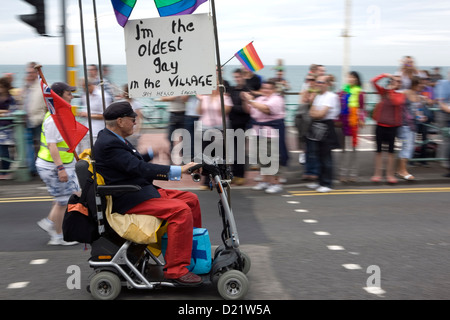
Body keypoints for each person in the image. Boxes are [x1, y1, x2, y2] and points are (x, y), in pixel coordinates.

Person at [93, 101, 203, 285]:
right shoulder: (108, 144)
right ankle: (176, 269)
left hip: (140, 191)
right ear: (120, 121)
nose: (135, 121)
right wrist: (180, 170)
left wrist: (151, 152)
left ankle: (192, 253)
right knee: (181, 210)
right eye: (132, 118)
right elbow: (138, 168)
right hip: (129, 198)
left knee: (191, 199)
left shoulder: (112, 137)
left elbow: (129, 161)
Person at [36, 82, 80, 246]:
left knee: (67, 195)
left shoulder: (61, 114)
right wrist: (60, 168)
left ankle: (49, 222)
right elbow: (52, 145)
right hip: (53, 166)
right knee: (63, 201)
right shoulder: (54, 119)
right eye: (69, 93)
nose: (72, 96)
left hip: (60, 164)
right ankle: (58, 236)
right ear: (59, 96)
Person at [242, 80, 287, 194]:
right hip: (258, 131)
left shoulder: (277, 99)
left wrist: (251, 100)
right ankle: (265, 181)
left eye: (268, 88)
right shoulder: (259, 99)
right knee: (262, 159)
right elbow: (249, 110)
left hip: (271, 132)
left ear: (274, 89)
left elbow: (267, 109)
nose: (266, 90)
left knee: (272, 159)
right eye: (264, 88)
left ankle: (276, 183)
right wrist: (245, 100)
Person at [305, 75, 340, 193]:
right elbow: (311, 112)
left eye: (321, 82)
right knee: (318, 155)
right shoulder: (318, 96)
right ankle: (320, 181)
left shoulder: (331, 96)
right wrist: (316, 113)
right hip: (317, 125)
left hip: (326, 126)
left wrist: (316, 113)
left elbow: (321, 114)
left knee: (326, 156)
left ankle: (327, 183)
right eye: (317, 81)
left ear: (327, 84)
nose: (318, 84)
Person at [197, 85, 233, 189]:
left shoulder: (225, 97)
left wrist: (219, 99)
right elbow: (198, 112)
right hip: (205, 128)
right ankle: (207, 180)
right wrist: (200, 100)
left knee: (220, 154)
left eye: (215, 86)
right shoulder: (204, 97)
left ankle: (221, 178)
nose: (213, 88)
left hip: (220, 128)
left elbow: (225, 111)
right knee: (206, 155)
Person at [371, 73, 405, 183]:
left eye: (398, 81)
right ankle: (377, 174)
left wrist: (391, 89)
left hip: (392, 127)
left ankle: (390, 175)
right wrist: (384, 75)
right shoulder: (383, 93)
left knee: (391, 152)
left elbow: (396, 101)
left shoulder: (400, 95)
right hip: (380, 125)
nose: (395, 82)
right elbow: (373, 81)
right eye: (394, 80)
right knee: (379, 151)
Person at [338, 71, 365, 182]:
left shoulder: (360, 93)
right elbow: (339, 105)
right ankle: (343, 173)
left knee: (354, 148)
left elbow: (362, 108)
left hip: (354, 121)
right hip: (344, 121)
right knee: (344, 149)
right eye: (349, 77)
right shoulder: (343, 92)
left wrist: (362, 119)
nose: (351, 79)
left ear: (357, 80)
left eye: (353, 77)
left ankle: (353, 173)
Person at [21, 62, 47, 175]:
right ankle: (32, 168)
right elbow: (22, 100)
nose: (29, 75)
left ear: (36, 73)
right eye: (28, 72)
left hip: (38, 119)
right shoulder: (26, 85)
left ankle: (40, 168)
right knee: (28, 144)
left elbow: (48, 102)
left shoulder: (42, 86)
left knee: (42, 145)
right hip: (27, 120)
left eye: (31, 72)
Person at [229, 68, 251, 185]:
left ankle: (241, 175)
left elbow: (247, 110)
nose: (237, 79)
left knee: (240, 151)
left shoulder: (246, 90)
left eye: (239, 77)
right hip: (231, 123)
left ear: (243, 77)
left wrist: (233, 107)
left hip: (242, 124)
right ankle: (233, 174)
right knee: (232, 151)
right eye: (235, 77)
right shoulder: (232, 89)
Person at [77, 78, 111, 153]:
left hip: (97, 131)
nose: (83, 90)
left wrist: (88, 115)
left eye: (83, 87)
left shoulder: (102, 96)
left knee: (96, 153)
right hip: (86, 130)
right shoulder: (85, 95)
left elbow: (106, 115)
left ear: (90, 85)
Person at [296, 73, 318, 178]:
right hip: (305, 123)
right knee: (307, 149)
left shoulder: (318, 92)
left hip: (315, 122)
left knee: (314, 149)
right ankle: (308, 171)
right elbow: (302, 104)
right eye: (307, 79)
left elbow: (313, 104)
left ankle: (314, 171)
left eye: (312, 79)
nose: (310, 81)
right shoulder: (305, 92)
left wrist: (311, 96)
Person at [0, 77, 17, 180]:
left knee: (5, 150)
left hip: (7, 128)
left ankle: (6, 170)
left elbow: (13, 112)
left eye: (2, 87)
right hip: (2, 126)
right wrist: (4, 112)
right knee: (2, 150)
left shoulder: (11, 99)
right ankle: (4, 170)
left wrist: (2, 112)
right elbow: (7, 112)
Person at [435, 72, 450, 177]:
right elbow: (441, 104)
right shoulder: (443, 84)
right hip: (444, 115)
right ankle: (446, 164)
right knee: (446, 140)